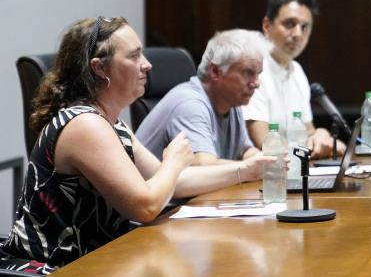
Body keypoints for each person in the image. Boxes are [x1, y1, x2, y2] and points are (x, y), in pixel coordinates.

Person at [0, 17, 271, 274]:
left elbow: (170, 183)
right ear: (99, 68)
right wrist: (173, 161)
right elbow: (145, 206)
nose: (147, 64)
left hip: (103, 261)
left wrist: (246, 170)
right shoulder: (85, 125)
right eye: (133, 55)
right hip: (63, 269)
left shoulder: (110, 122)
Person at [137, 29, 267, 164]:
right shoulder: (189, 104)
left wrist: (271, 162)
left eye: (258, 74)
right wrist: (253, 167)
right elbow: (205, 165)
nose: (256, 83)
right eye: (248, 73)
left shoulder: (232, 102)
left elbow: (245, 151)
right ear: (215, 71)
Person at [243, 0, 343, 158]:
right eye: (289, 24)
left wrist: (320, 135)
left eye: (305, 27)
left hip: (293, 169)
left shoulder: (297, 71)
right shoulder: (252, 71)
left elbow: (307, 133)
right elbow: (264, 142)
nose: (297, 34)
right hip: (264, 176)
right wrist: (309, 148)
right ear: (267, 26)